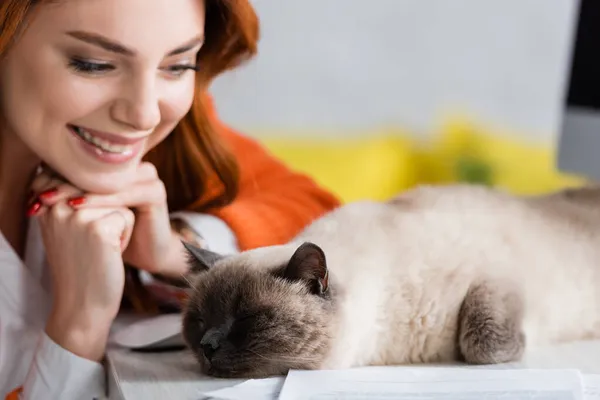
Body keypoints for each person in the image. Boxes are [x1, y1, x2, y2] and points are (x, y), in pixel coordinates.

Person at [0, 0, 341, 398]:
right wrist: (79, 324)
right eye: (93, 64)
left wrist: (173, 247)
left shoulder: (162, 133)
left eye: (178, 65)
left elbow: (318, 211)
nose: (143, 115)